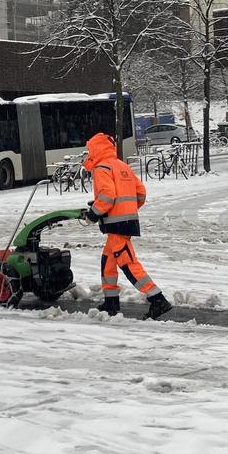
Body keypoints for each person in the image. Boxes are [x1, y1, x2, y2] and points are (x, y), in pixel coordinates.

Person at [80, 133, 172, 321]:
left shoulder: (101, 168)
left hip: (116, 224)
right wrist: (127, 209)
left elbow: (107, 196)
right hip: (127, 221)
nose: (88, 154)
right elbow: (141, 193)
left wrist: (92, 214)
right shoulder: (122, 166)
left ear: (95, 150)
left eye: (90, 150)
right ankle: (111, 301)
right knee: (108, 261)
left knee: (128, 263)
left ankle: (157, 300)